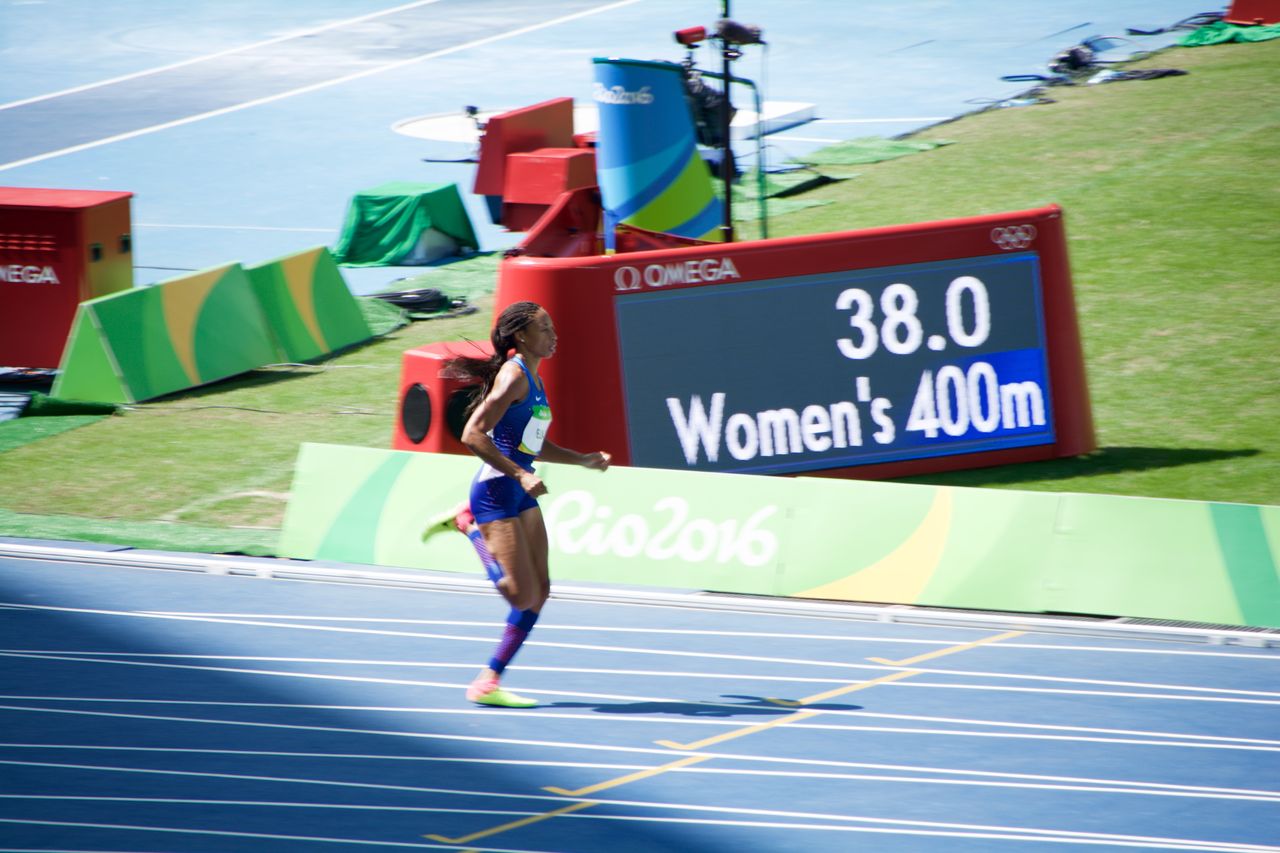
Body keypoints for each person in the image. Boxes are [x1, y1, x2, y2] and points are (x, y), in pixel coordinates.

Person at [435, 301, 610, 708]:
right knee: (519, 595)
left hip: (519, 489)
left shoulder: (535, 377)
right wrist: (521, 475)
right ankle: (469, 526)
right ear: (522, 337)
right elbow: (472, 433)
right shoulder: (513, 377)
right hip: (497, 490)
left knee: (542, 590)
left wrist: (582, 459)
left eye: (552, 327)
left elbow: (534, 444)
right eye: (545, 329)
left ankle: (488, 681)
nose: (554, 335)